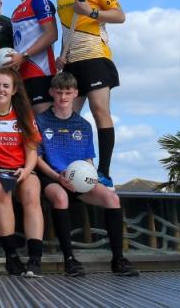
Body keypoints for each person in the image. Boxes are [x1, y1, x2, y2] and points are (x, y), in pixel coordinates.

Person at [35, 72, 138, 276]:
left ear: (75, 93)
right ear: (51, 93)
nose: (63, 97)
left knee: (112, 198)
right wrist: (58, 177)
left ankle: (118, 260)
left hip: (78, 177)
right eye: (59, 92)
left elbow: (88, 160)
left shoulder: (83, 125)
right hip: (51, 176)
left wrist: (89, 178)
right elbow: (36, 158)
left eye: (68, 92)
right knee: (61, 197)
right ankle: (70, 260)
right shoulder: (40, 121)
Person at [56, 0, 125, 187]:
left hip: (95, 55)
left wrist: (91, 12)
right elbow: (66, 29)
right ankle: (72, 168)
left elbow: (120, 16)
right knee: (67, 116)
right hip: (71, 60)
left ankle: (104, 172)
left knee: (99, 111)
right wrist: (61, 55)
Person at [0, 67, 44, 278]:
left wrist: (27, 170)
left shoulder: (24, 114)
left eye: (6, 86)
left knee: (32, 194)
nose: (1, 90)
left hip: (20, 168)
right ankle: (12, 257)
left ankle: (35, 259)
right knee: (2, 193)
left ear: (13, 90)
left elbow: (32, 151)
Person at [0, 0, 58, 113]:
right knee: (27, 125)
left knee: (44, 123)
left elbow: (52, 34)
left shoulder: (39, 0)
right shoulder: (15, 12)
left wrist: (24, 56)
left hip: (41, 74)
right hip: (21, 78)